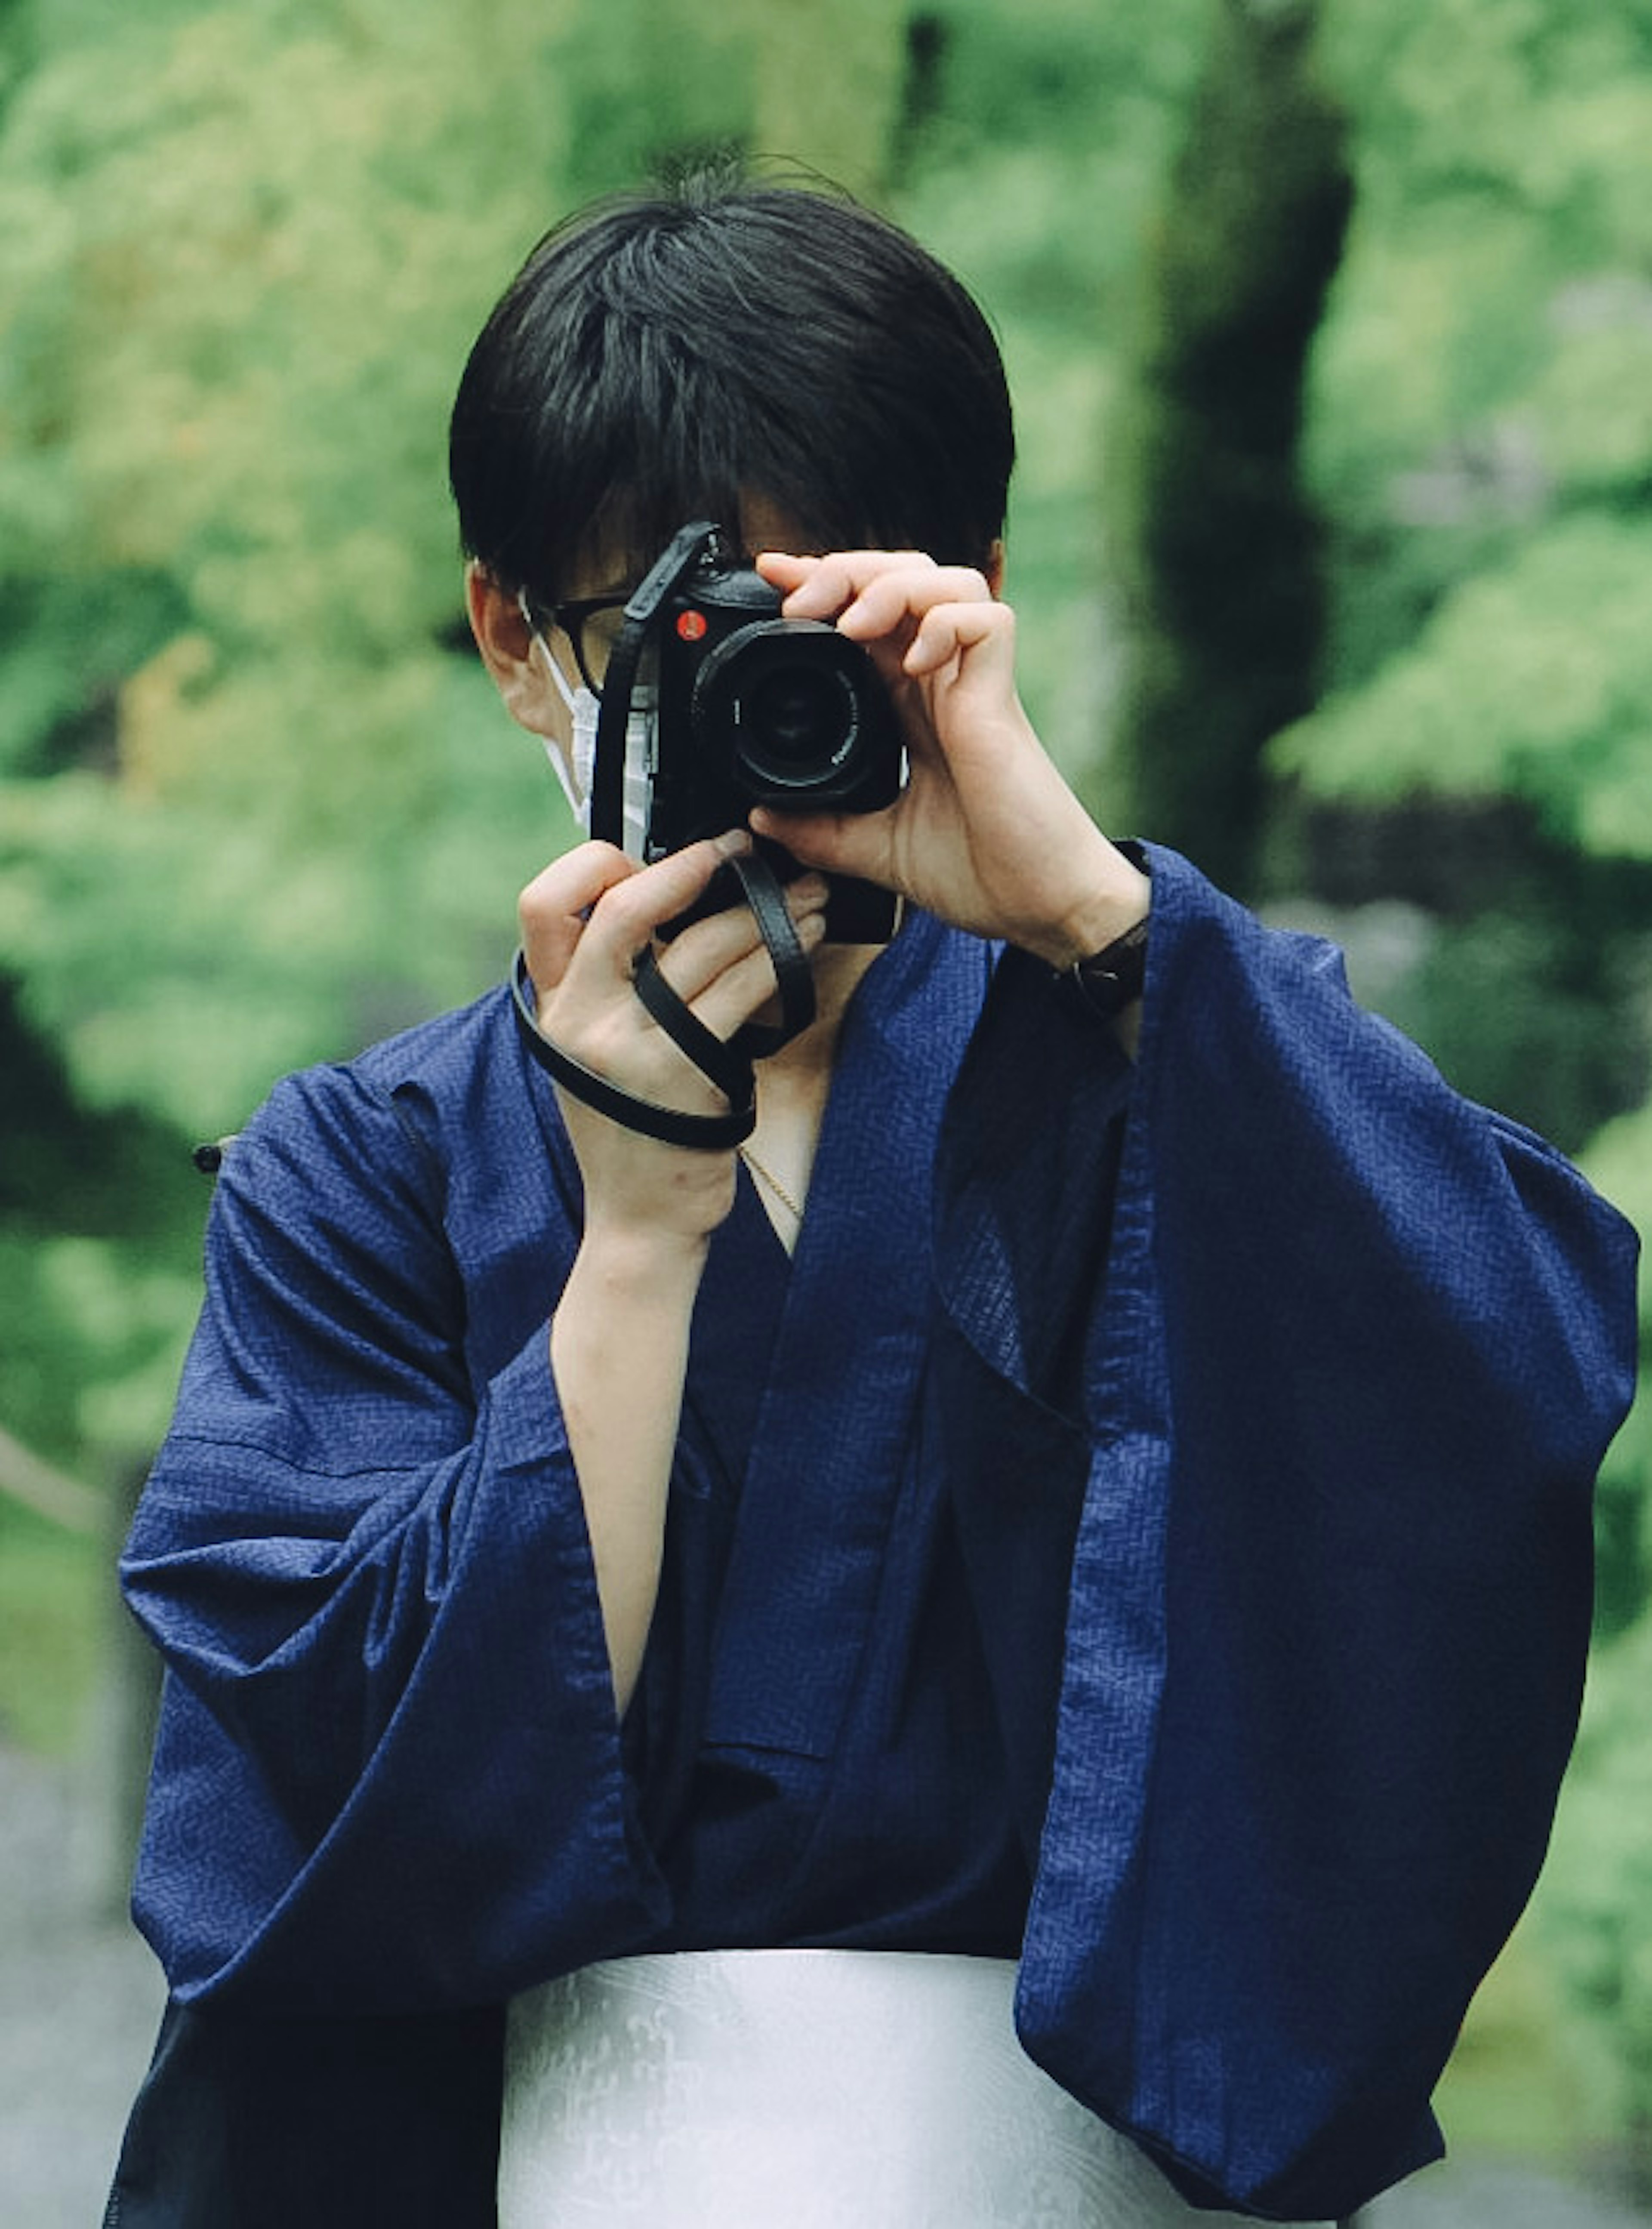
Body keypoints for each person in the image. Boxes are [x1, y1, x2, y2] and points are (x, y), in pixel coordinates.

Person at [105, 166, 1637, 2228]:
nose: (749, 710)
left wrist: (1098, 915)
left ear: (968, 587)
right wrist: (634, 1243)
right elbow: (309, 1818)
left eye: (810, 623)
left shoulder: (1158, 1060)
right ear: (510, 643)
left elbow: (1501, 1392)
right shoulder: (368, 1171)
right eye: (659, 639)